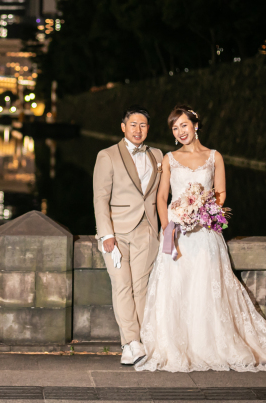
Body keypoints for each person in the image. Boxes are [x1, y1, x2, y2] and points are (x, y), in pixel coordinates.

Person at [135, 105, 266, 372]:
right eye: (175, 128)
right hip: (177, 233)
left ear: (196, 125)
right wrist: (168, 228)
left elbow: (221, 193)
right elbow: (161, 198)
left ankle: (209, 344)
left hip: (205, 233)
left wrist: (203, 210)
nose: (180, 131)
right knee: (176, 288)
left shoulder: (214, 156)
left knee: (207, 288)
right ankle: (176, 345)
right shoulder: (169, 159)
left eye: (184, 125)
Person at [93, 105, 164, 365]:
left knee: (141, 288)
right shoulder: (107, 155)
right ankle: (131, 342)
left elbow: (161, 194)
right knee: (121, 285)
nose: (138, 129)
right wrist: (106, 234)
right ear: (123, 127)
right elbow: (100, 198)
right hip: (117, 233)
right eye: (133, 124)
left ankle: (141, 341)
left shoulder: (157, 155)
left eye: (143, 125)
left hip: (147, 230)